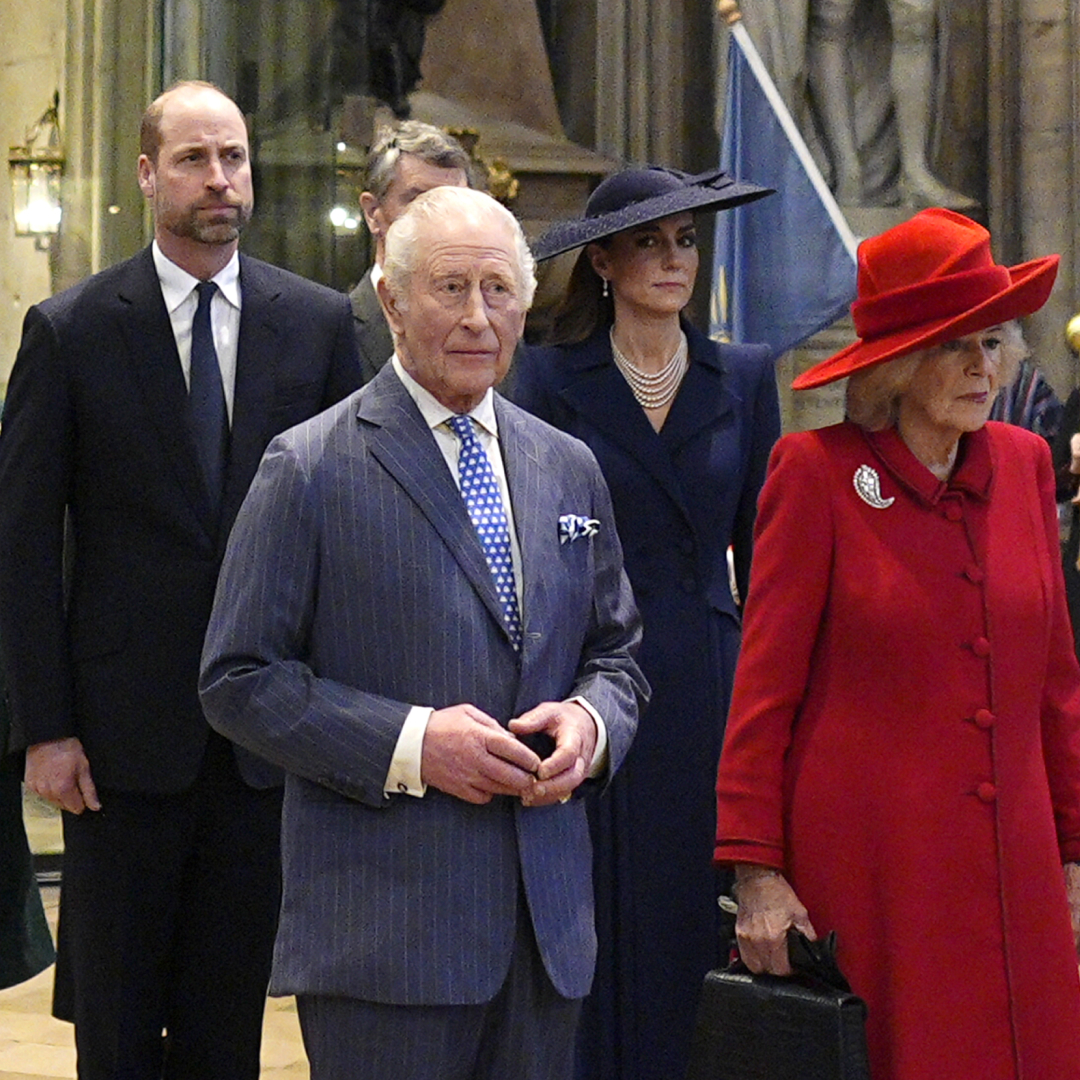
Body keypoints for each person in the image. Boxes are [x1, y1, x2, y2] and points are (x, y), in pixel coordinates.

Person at [198, 185, 648, 1080]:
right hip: (387, 941)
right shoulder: (311, 465)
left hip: (543, 934)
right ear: (392, 299)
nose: (479, 317)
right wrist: (412, 744)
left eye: (499, 289)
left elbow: (618, 655)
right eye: (451, 288)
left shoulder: (566, 465)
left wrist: (591, 728)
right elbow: (238, 679)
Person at [0, 80, 360, 1078]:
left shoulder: (318, 324)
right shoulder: (72, 332)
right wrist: (43, 726)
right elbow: (23, 547)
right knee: (115, 1026)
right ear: (149, 175)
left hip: (262, 742)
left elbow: (347, 529)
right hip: (115, 747)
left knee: (226, 1023)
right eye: (196, 159)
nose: (220, 180)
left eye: (234, 158)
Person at [714, 208, 1080, 1080]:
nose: (982, 367)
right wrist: (757, 874)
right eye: (956, 344)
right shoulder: (817, 475)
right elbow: (763, 694)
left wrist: (1073, 855)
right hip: (877, 870)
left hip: (1018, 866)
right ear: (897, 362)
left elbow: (1057, 689)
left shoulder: (1027, 464)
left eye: (991, 342)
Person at [511, 165, 780, 1080]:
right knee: (594, 912)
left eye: (687, 242)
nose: (674, 260)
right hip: (588, 676)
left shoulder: (742, 374)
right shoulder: (544, 377)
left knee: (689, 920)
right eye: (651, 242)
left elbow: (768, 560)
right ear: (602, 262)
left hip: (710, 679)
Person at [350, 119, 471, 383]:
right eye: (420, 202)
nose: (442, 220)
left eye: (455, 204)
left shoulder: (491, 336)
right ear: (373, 213)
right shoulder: (333, 334)